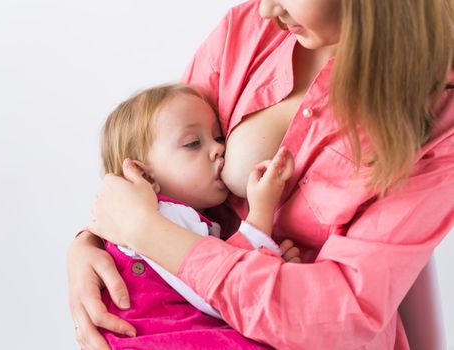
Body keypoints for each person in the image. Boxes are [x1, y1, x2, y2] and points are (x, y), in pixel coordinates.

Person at [68, 0, 454, 349]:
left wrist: (146, 233)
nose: (268, 9)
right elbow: (160, 153)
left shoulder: (441, 120)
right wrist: (95, 244)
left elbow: (344, 315)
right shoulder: (246, 31)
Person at [94, 83, 298, 348]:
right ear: (144, 175)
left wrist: (269, 259)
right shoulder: (163, 215)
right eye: (193, 143)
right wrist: (261, 212)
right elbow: (216, 289)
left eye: (219, 137)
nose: (218, 149)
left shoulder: (173, 216)